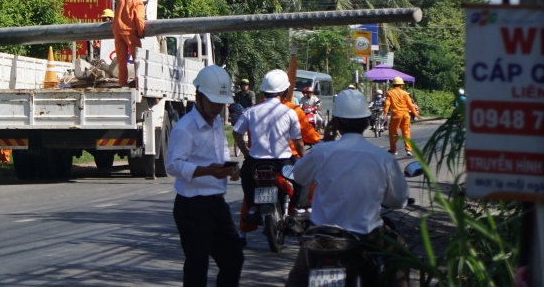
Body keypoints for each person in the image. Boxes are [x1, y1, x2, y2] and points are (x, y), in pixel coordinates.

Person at [285, 89, 409, 287]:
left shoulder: (322, 151)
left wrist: (324, 142)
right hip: (366, 236)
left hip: (320, 236)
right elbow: (398, 200)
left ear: (337, 123)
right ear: (368, 121)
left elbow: (299, 175)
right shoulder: (383, 158)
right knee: (401, 254)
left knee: (298, 277)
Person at [165, 65, 244, 287]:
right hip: (192, 207)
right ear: (198, 96)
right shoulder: (185, 128)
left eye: (221, 103)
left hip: (216, 204)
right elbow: (173, 166)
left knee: (233, 259)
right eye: (213, 102)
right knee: (197, 267)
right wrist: (207, 170)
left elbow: (220, 155)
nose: (217, 108)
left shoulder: (217, 122)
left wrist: (231, 170)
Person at [231, 68, 303, 233]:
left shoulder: (251, 111)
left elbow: (236, 132)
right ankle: (295, 211)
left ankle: (253, 209)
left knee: (246, 177)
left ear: (263, 91)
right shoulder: (289, 112)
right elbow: (298, 142)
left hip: (256, 162)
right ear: (284, 91)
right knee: (301, 179)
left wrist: (246, 153)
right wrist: (303, 158)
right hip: (283, 162)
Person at [112, 0, 147, 87]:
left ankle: (122, 83)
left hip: (118, 31)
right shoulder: (138, 2)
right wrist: (141, 33)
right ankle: (138, 82)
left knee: (121, 59)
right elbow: (139, 19)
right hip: (130, 32)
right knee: (137, 58)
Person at [384, 77, 419, 156]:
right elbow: (410, 105)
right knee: (406, 133)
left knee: (393, 133)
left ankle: (394, 150)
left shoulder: (390, 93)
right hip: (405, 115)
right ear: (401, 85)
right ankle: (408, 150)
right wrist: (416, 114)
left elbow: (387, 104)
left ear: (394, 85)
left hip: (396, 115)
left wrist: (385, 112)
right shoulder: (405, 93)